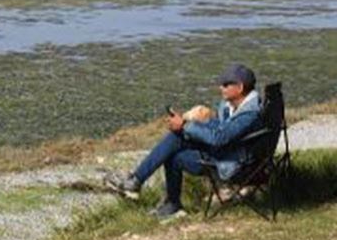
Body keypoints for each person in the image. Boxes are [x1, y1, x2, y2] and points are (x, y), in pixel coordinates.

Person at [104, 63, 262, 220]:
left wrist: (185, 126)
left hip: (233, 165)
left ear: (240, 88)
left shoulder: (249, 114)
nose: (221, 87)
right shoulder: (237, 106)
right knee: (175, 146)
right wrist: (192, 123)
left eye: (226, 84)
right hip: (230, 155)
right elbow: (222, 129)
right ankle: (153, 193)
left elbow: (219, 138)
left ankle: (145, 187)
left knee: (175, 142)